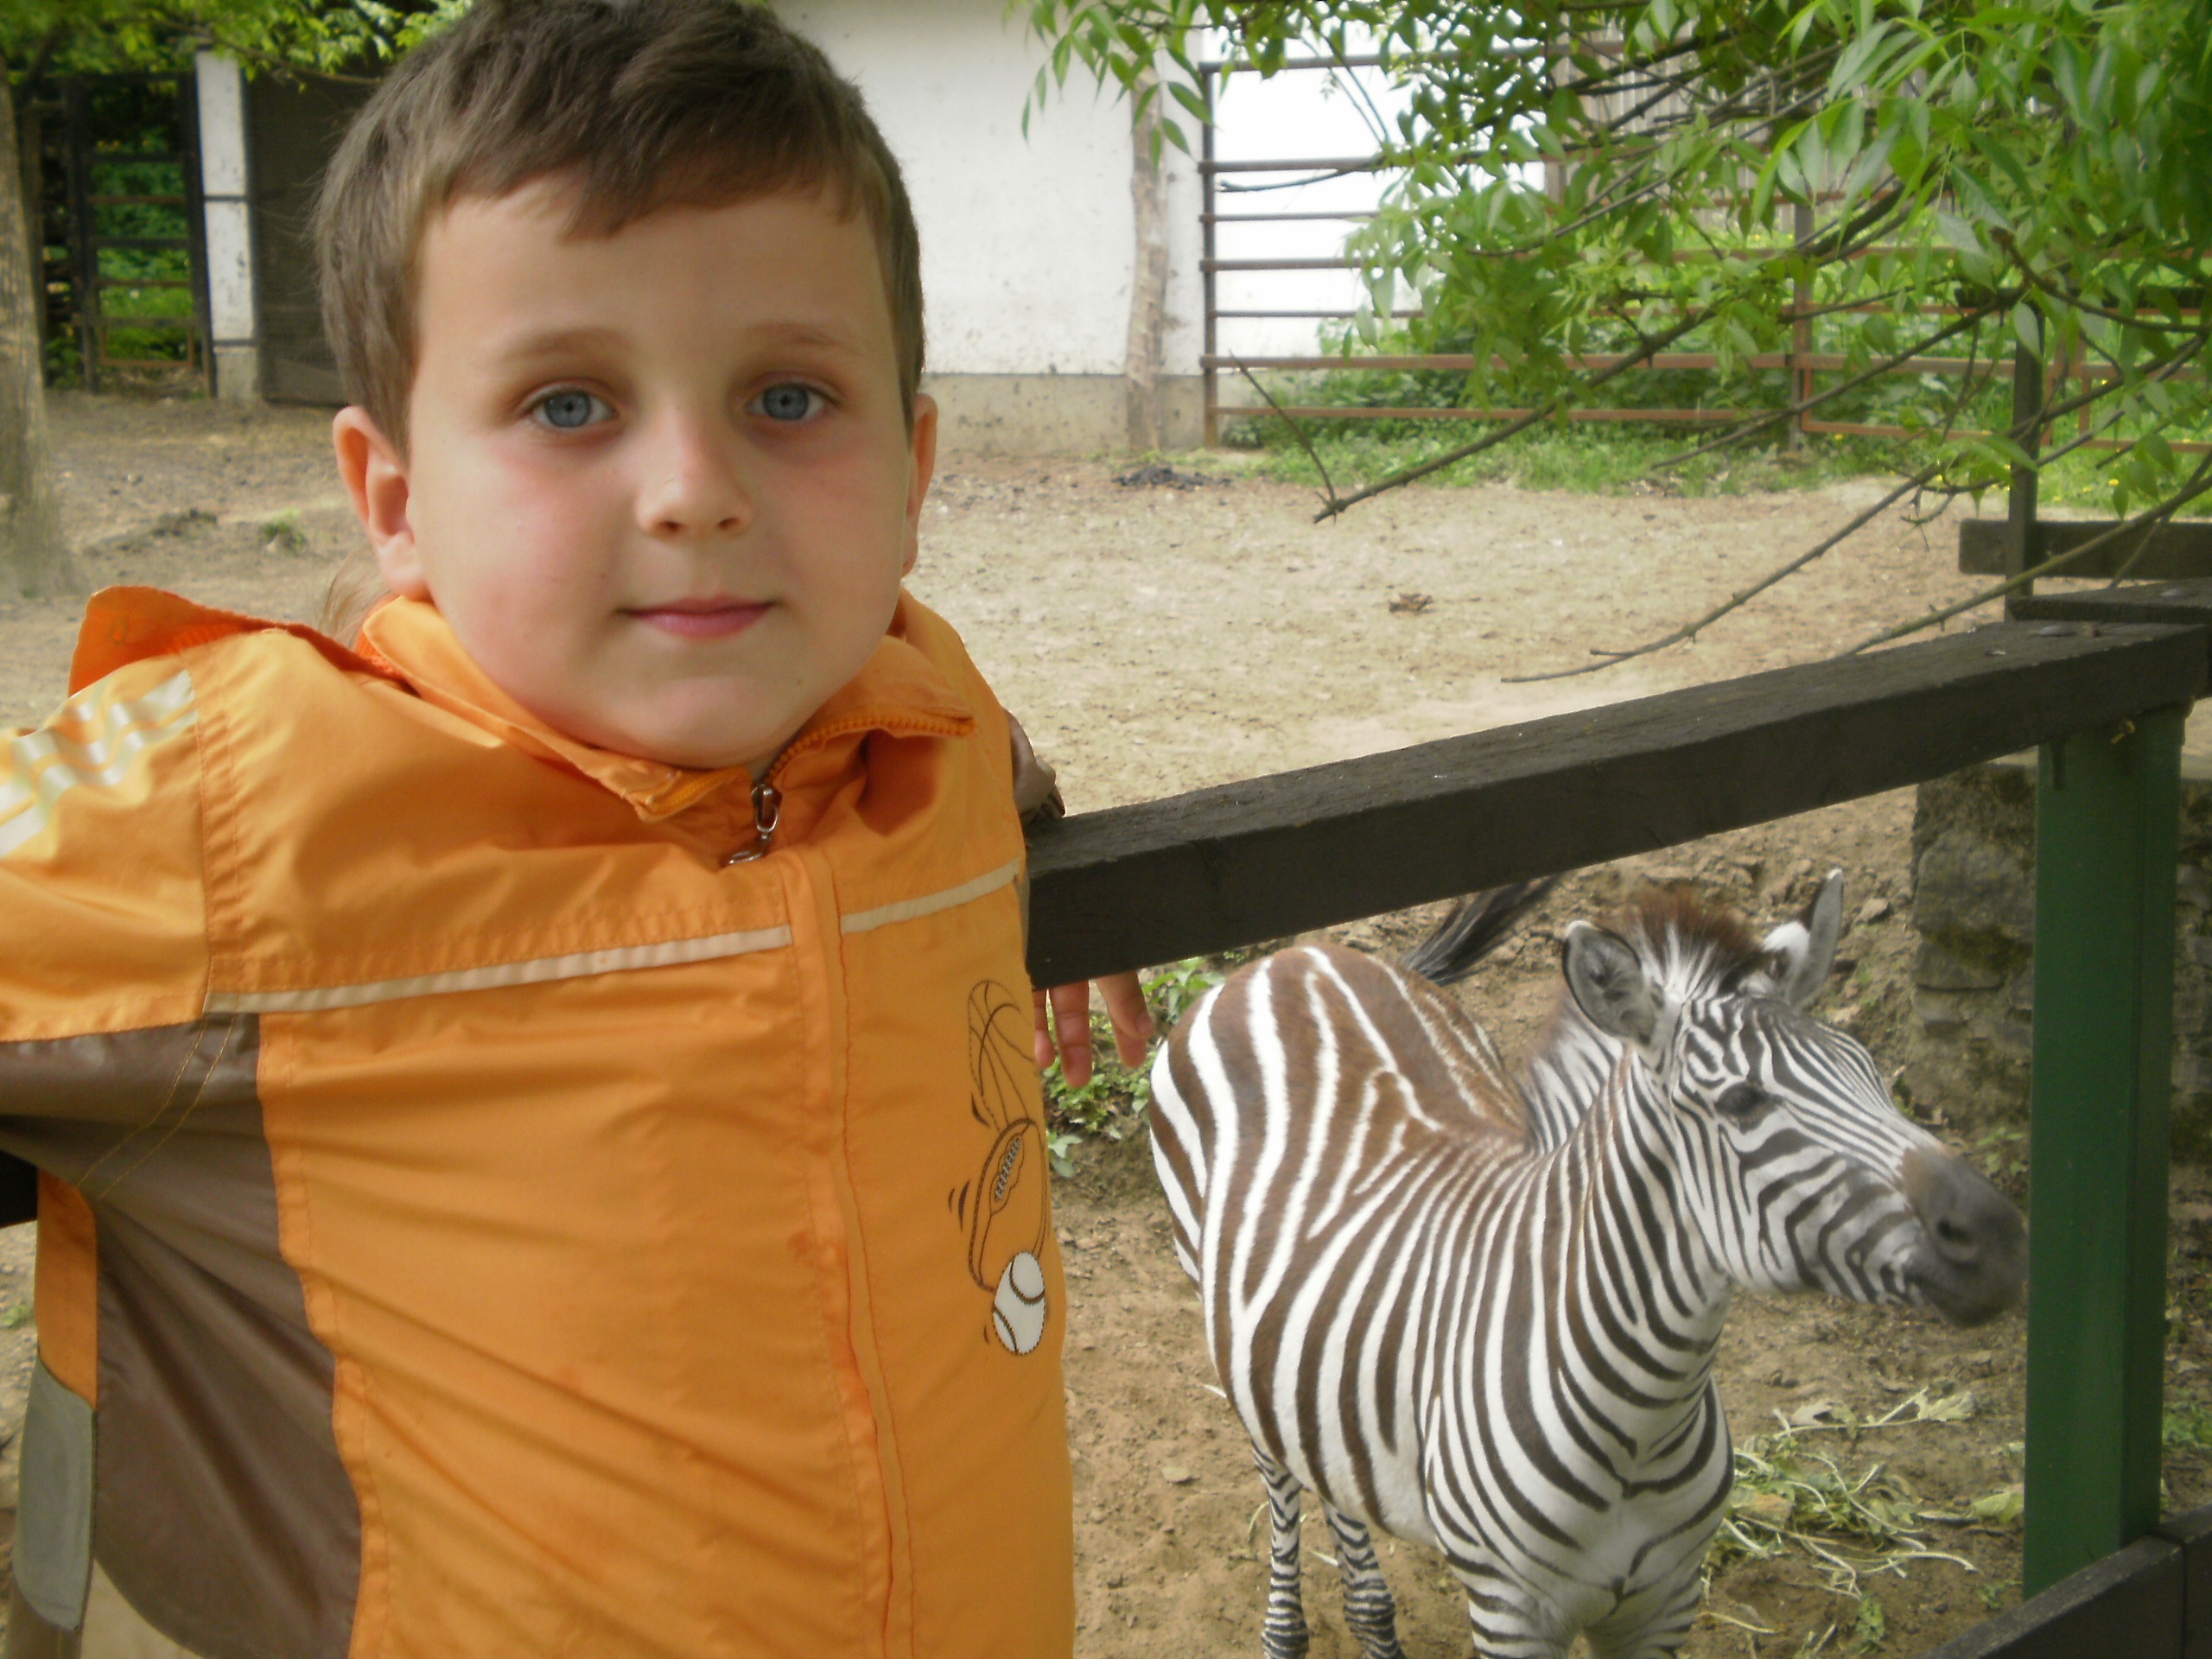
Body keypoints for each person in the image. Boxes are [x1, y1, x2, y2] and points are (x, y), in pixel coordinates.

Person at [0, 3, 1153, 1654]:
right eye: (566, 405)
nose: (696, 489)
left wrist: (1033, 815)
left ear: (912, 472)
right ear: (395, 499)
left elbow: (967, 737)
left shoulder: (935, 726)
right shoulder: (241, 811)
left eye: (789, 397)